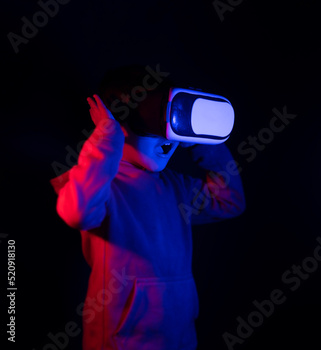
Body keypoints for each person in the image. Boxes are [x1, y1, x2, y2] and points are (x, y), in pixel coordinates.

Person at [50, 65, 245, 349]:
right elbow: (77, 210)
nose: (167, 141)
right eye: (157, 125)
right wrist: (106, 139)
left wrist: (203, 143)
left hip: (180, 337)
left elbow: (230, 201)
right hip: (122, 340)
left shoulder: (175, 186)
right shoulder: (103, 181)